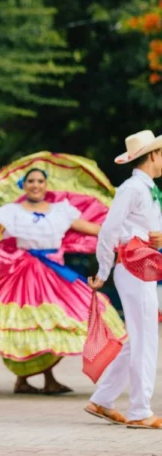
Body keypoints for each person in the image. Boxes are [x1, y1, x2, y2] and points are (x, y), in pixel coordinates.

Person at [0, 152, 125, 394]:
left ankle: (45, 379)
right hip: (22, 273)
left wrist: (126, 234)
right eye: (31, 181)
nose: (36, 185)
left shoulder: (61, 211)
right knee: (27, 323)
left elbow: (94, 229)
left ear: (46, 185)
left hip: (54, 273)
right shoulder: (10, 212)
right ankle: (26, 379)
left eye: (40, 181)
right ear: (24, 185)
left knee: (61, 321)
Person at [86, 130, 162, 428]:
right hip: (132, 267)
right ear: (153, 155)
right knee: (145, 339)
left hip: (143, 268)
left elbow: (145, 230)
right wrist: (103, 271)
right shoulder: (132, 188)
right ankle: (140, 411)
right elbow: (109, 231)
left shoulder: (147, 189)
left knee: (139, 338)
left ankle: (102, 399)